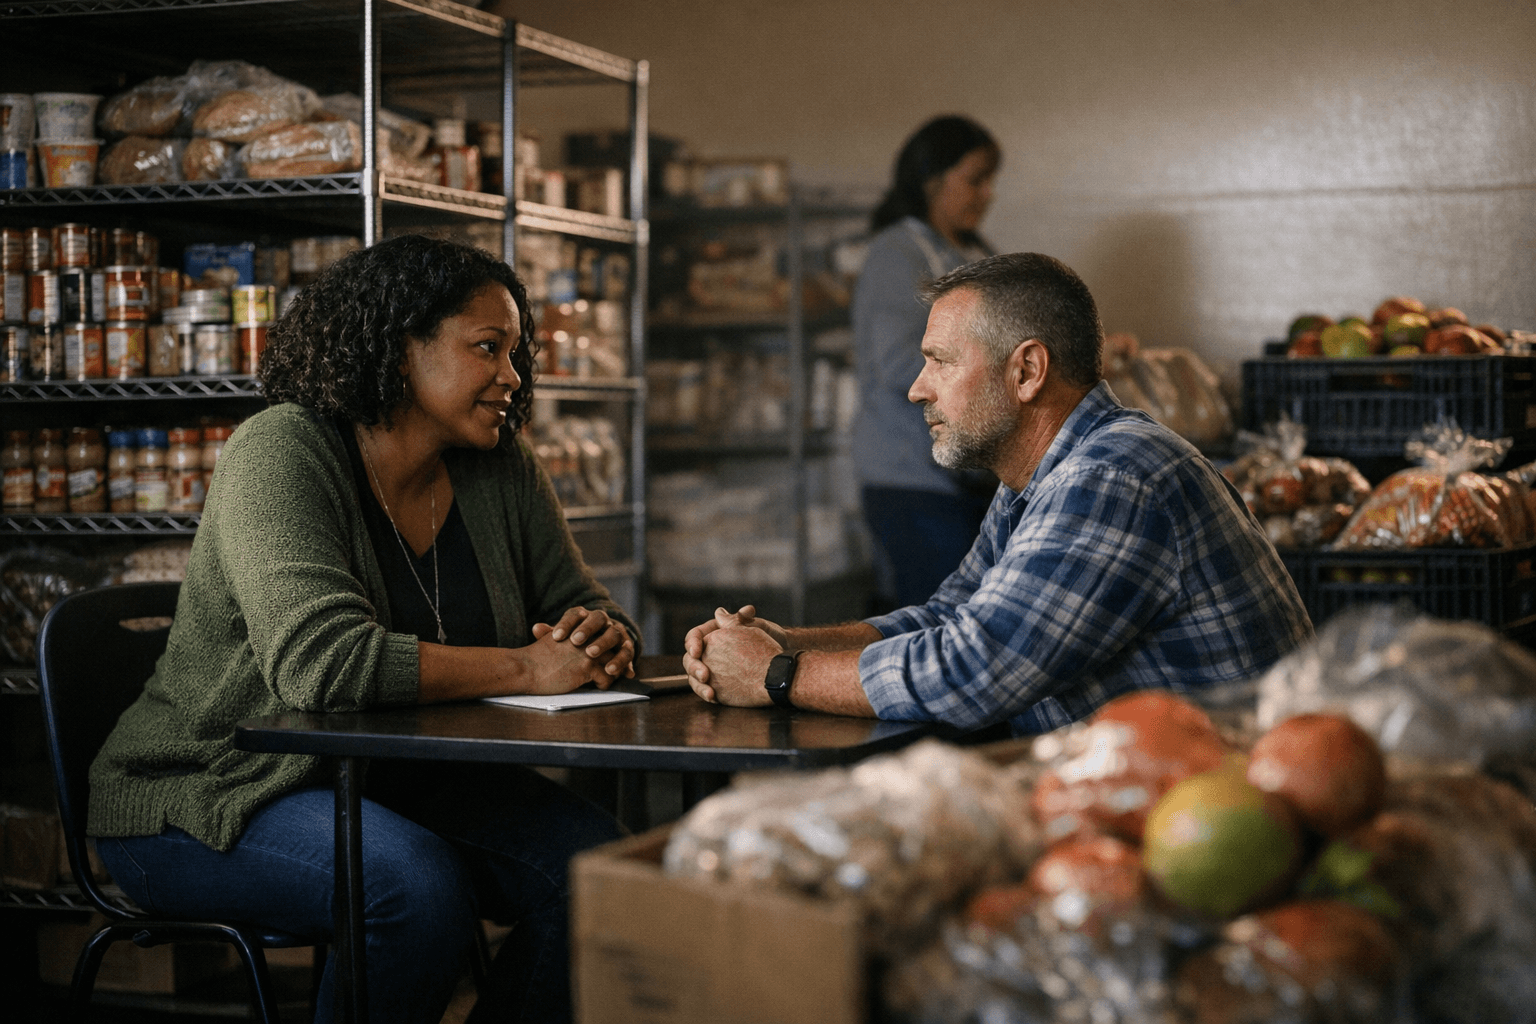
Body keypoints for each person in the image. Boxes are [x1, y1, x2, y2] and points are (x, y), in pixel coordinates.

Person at [87, 235, 636, 1024]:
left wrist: (602, 635)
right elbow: (320, 663)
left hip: (393, 784)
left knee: (601, 873)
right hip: (206, 794)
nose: (513, 376)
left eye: (517, 352)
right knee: (412, 889)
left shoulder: (500, 467)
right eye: (488, 348)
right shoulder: (281, 451)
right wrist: (528, 668)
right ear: (401, 347)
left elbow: (582, 603)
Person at [684, 252, 1313, 735]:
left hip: (1219, 816)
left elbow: (973, 671)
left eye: (940, 361)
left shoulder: (1113, 474)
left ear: (1027, 371)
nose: (917, 388)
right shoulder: (1039, 479)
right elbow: (951, 618)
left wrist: (774, 675)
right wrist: (788, 643)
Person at [852, 114, 1001, 608]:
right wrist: (994, 371)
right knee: (938, 625)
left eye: (990, 181)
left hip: (962, 478)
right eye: (975, 180)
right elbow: (899, 363)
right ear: (932, 180)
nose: (988, 194)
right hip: (912, 480)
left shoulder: (965, 251)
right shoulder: (897, 253)